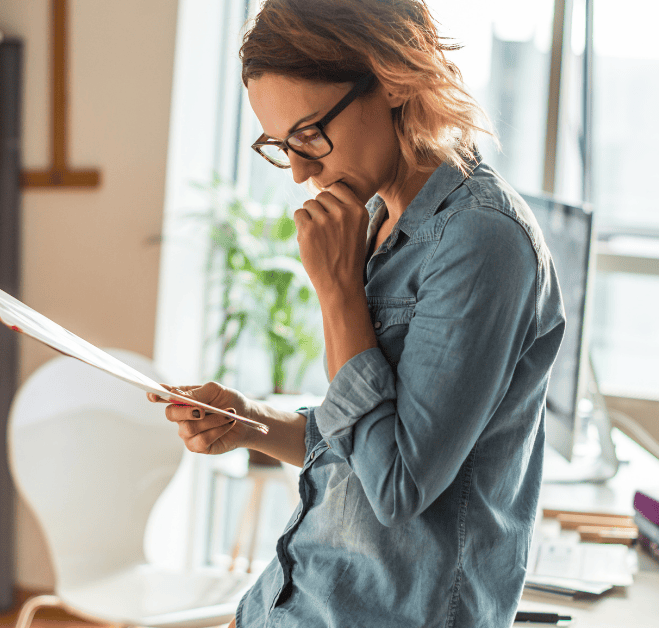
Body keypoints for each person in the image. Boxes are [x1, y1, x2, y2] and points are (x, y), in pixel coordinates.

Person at [149, 0, 566, 625]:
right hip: (293, 604)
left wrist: (338, 290)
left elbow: (396, 485)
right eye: (280, 144)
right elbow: (363, 443)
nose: (297, 171)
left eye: (311, 134)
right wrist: (247, 422)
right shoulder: (378, 220)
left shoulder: (481, 241)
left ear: (393, 78)